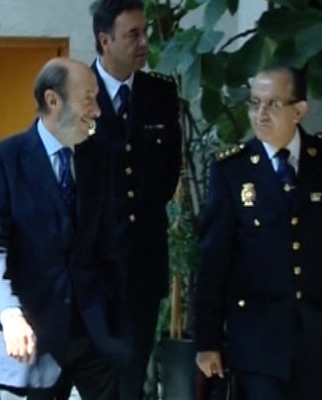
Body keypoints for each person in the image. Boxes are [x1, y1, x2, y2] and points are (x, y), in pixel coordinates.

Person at [0, 57, 130, 400]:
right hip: (29, 339)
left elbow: (110, 245)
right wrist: (9, 313)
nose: (98, 110)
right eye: (88, 98)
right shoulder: (2, 160)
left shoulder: (100, 160)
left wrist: (117, 318)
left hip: (93, 337)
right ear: (53, 100)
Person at [195, 66, 322, 400]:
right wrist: (207, 342)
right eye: (254, 103)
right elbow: (213, 260)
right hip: (257, 339)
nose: (260, 114)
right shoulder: (232, 169)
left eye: (273, 104)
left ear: (299, 110)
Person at [91, 1, 182, 399]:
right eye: (133, 34)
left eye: (145, 32)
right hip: (92, 266)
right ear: (104, 40)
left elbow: (168, 173)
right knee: (95, 379)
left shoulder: (159, 93)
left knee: (132, 380)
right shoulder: (76, 91)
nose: (144, 42)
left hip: (143, 264)